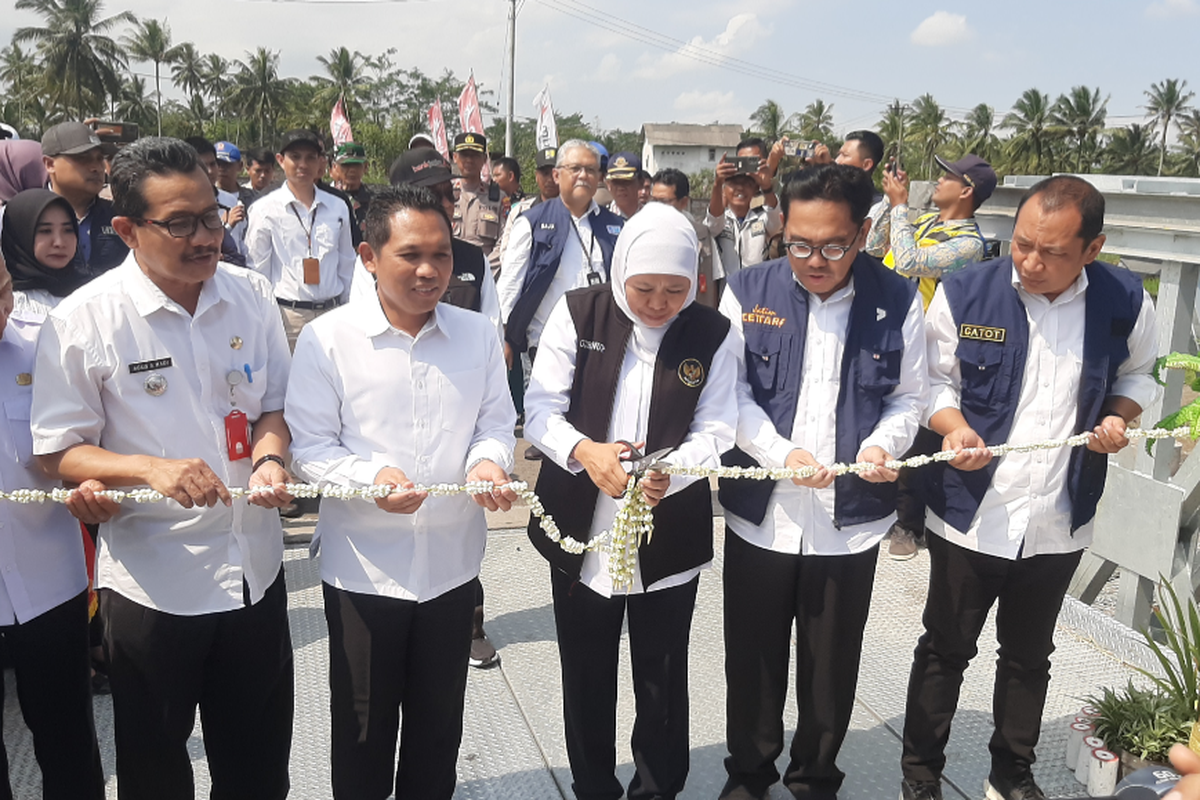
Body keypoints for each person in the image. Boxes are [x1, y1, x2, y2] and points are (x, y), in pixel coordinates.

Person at [31, 136, 296, 800]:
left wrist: (269, 457)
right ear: (127, 229)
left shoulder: (251, 295)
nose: (205, 237)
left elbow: (273, 407)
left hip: (255, 573)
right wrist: (149, 468)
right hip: (155, 587)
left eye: (211, 216)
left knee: (259, 769)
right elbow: (58, 450)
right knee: (154, 772)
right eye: (181, 224)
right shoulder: (85, 320)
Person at [898, 176, 1159, 800]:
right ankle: (921, 777)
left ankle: (1011, 774)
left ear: (1092, 249)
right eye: (1022, 244)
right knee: (945, 648)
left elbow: (1139, 372)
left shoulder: (1124, 299)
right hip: (971, 511)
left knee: (1028, 655)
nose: (1031, 262)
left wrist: (1118, 415)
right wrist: (954, 427)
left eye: (1053, 252)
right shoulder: (967, 291)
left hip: (1058, 514)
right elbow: (931, 381)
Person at [286, 183, 516, 800]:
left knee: (437, 731)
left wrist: (488, 463)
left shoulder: (476, 334)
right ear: (368, 256)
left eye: (441, 255)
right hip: (364, 573)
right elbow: (310, 449)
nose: (429, 270)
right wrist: (371, 480)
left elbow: (496, 424)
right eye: (410, 254)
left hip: (451, 569)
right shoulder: (328, 339)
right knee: (362, 732)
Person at [717, 164, 928, 800]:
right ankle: (749, 777)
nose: (814, 261)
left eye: (834, 247)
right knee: (752, 660)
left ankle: (814, 779)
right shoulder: (747, 290)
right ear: (783, 227)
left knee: (831, 665)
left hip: (850, 517)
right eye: (800, 244)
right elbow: (730, 395)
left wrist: (881, 445)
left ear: (862, 233)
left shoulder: (898, 300)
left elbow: (909, 398)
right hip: (762, 513)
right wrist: (781, 454)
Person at [524, 201, 739, 800]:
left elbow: (718, 427)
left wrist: (674, 472)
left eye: (675, 289)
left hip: (668, 529)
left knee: (662, 675)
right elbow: (540, 409)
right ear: (621, 272)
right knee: (586, 671)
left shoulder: (713, 332)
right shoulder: (579, 312)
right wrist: (584, 450)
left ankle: (658, 787)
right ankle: (594, 786)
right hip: (581, 527)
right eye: (644, 288)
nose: (658, 303)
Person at [0, 191, 104, 800]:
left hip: (49, 583)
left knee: (68, 742)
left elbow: (81, 440)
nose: (1, 310)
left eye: (3, 293)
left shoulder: (43, 348)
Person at [866, 153, 995, 560]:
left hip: (925, 348)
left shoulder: (969, 244)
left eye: (948, 176)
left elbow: (910, 261)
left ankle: (909, 524)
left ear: (967, 190)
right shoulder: (921, 223)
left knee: (919, 437)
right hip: (886, 336)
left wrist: (901, 205)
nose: (939, 181)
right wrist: (890, 202)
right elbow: (875, 245)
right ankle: (884, 507)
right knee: (885, 426)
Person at [497, 140, 625, 460]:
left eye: (591, 170)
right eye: (575, 168)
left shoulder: (614, 226)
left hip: (601, 341)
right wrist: (503, 336)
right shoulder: (532, 221)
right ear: (557, 175)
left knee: (596, 422)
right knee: (552, 423)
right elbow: (510, 284)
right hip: (547, 342)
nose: (583, 175)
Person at [246, 129, 356, 349]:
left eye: (310, 158)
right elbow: (258, 270)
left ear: (320, 162)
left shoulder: (337, 207)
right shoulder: (264, 209)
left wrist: (348, 309)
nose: (303, 164)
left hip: (333, 313)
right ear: (281, 160)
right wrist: (264, 318)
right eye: (295, 157)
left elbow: (347, 263)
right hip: (289, 318)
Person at [41, 121, 128, 278]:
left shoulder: (121, 215)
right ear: (50, 164)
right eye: (83, 158)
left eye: (100, 158)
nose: (96, 168)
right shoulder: (23, 218)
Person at [706, 137, 784, 281]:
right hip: (727, 289)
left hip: (758, 287)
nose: (740, 188)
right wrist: (717, 183)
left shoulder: (761, 217)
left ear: (755, 189)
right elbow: (713, 223)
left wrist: (766, 186)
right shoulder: (723, 220)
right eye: (733, 184)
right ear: (724, 190)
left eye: (747, 183)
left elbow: (776, 221)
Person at [651, 168, 719, 309]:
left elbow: (712, 281)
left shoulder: (701, 235)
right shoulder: (643, 234)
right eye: (654, 201)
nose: (657, 208)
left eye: (664, 201)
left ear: (683, 202)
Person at [451, 132, 507, 276]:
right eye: (464, 155)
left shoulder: (498, 199)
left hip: (486, 273)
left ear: (484, 159)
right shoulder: (445, 195)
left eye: (475, 155)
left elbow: (504, 241)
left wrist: (484, 270)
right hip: (450, 273)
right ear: (455, 157)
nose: (469, 160)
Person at [497, 146, 559, 264]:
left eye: (555, 174)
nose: (550, 179)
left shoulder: (574, 212)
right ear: (536, 176)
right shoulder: (520, 211)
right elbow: (506, 253)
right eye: (545, 173)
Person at [331, 141, 372, 245]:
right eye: (346, 165)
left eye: (357, 165)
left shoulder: (374, 200)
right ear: (335, 167)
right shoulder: (328, 199)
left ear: (365, 167)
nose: (352, 170)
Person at [604, 152, 642, 220]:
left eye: (626, 181)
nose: (621, 188)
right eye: (616, 182)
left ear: (640, 183)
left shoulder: (651, 217)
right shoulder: (600, 218)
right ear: (608, 184)